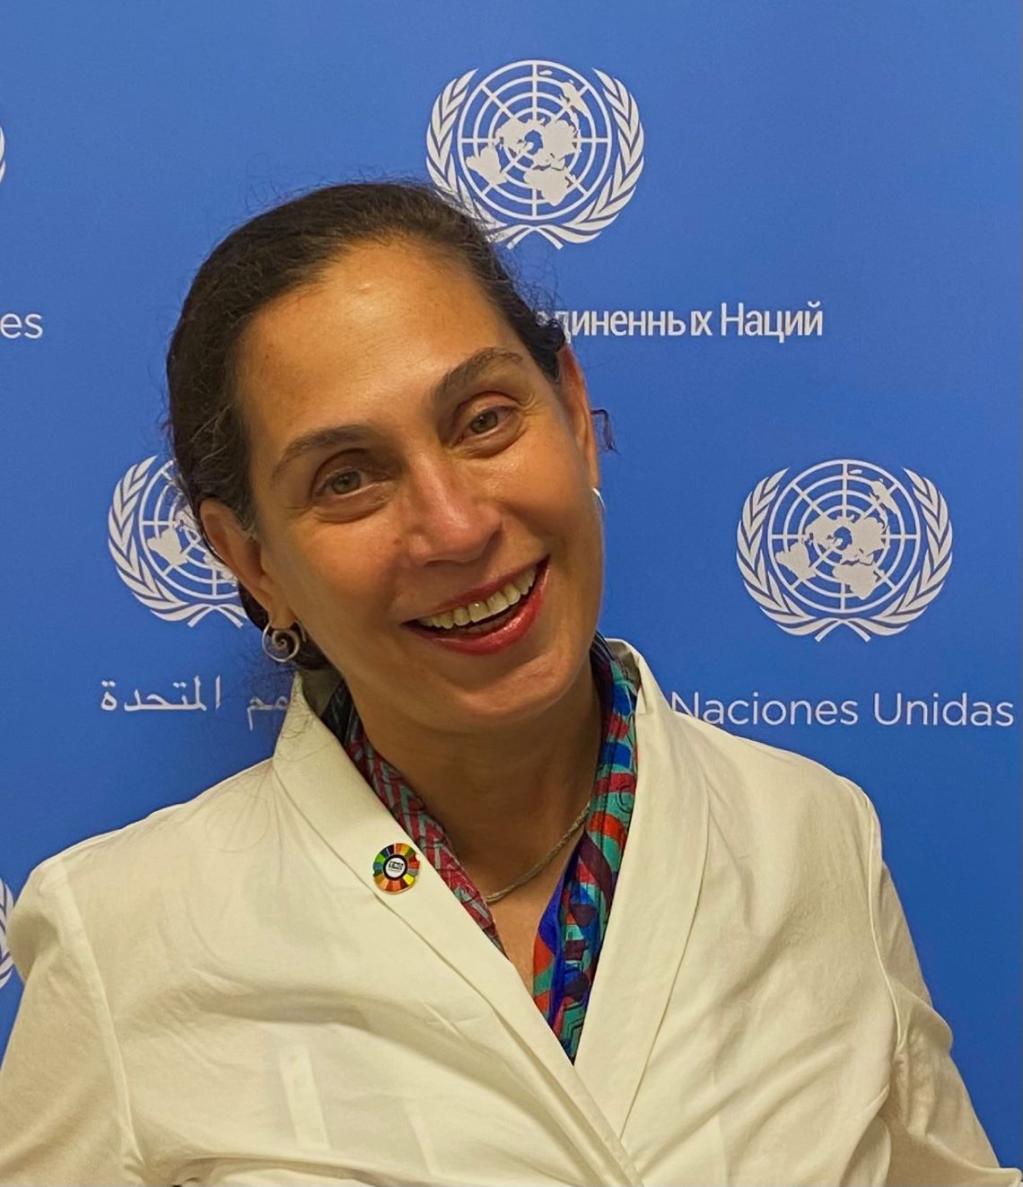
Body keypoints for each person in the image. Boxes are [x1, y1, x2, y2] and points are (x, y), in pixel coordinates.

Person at [0, 181, 1017, 1187]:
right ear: (253, 560)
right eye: (347, 477)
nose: (455, 525)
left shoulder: (812, 833)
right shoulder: (123, 934)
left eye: (484, 419)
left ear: (572, 410)